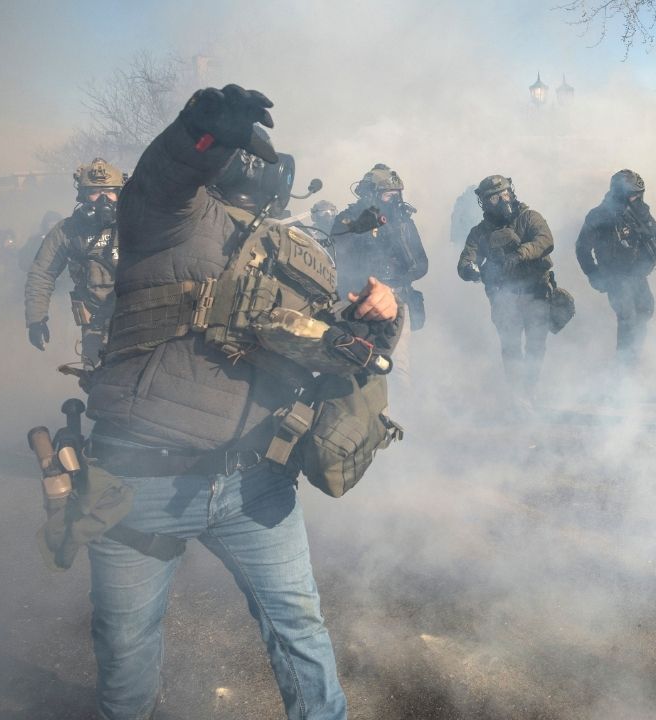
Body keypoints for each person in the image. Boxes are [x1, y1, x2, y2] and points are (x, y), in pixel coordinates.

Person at [80, 84, 401, 720]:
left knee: (299, 632)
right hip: (136, 480)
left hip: (253, 481)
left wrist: (373, 323)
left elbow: (321, 352)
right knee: (124, 648)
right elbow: (166, 173)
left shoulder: (300, 256)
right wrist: (202, 129)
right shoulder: (172, 220)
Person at [457, 175, 555, 410]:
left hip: (535, 291)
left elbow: (545, 240)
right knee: (510, 347)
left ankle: (530, 390)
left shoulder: (529, 217)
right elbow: (465, 261)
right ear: (485, 202)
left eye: (505, 194)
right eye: (494, 198)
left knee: (536, 345)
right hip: (505, 297)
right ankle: (517, 398)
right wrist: (470, 270)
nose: (502, 201)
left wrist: (521, 253)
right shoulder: (479, 233)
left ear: (512, 192)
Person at [331, 164, 428, 385]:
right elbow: (338, 249)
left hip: (394, 303)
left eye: (396, 195)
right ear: (370, 195)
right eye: (387, 196)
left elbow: (422, 264)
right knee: (353, 366)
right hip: (356, 302)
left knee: (396, 369)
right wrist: (359, 231)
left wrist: (396, 278)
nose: (394, 201)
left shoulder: (403, 223)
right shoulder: (348, 219)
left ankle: (395, 415)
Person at [24, 158, 125, 368]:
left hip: (136, 320)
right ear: (83, 196)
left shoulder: (137, 223)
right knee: (97, 382)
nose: (103, 199)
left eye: (110, 191)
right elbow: (42, 274)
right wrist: (36, 319)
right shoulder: (67, 232)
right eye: (96, 192)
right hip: (95, 325)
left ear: (120, 193)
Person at [575, 169, 656, 368]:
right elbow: (582, 248)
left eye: (639, 194)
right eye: (633, 194)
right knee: (627, 318)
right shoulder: (599, 215)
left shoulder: (640, 212)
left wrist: (647, 262)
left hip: (636, 275)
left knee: (646, 310)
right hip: (615, 277)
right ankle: (623, 371)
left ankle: (633, 357)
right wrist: (593, 274)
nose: (637, 198)